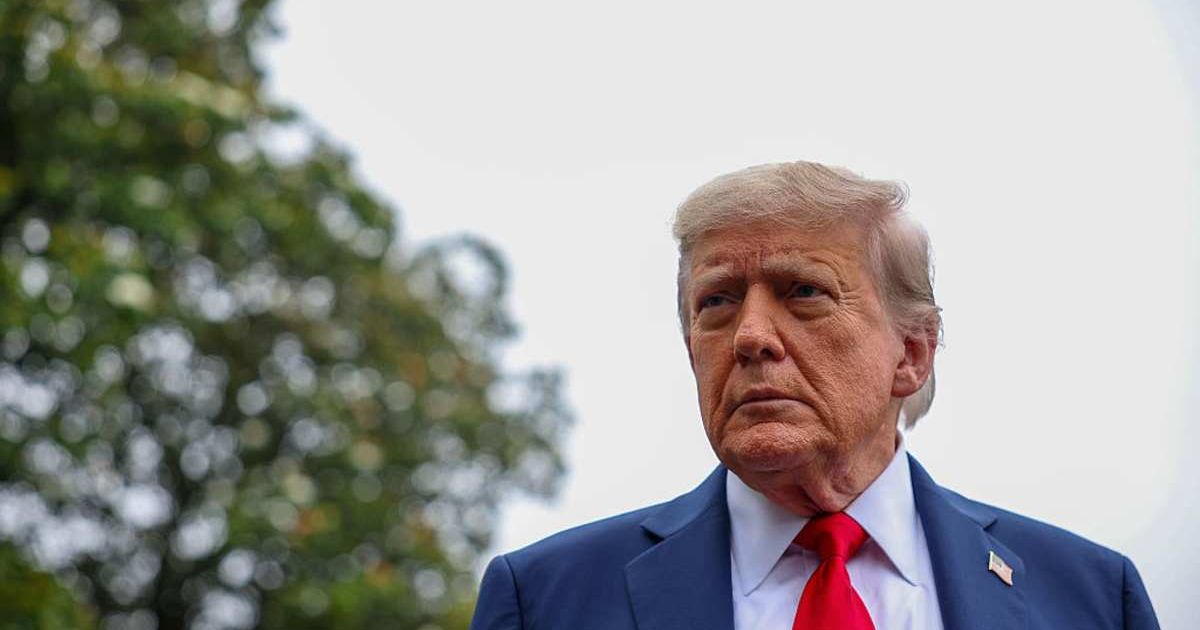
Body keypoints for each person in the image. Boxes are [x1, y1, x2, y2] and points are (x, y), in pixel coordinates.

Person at [469, 161, 1160, 629]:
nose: (750, 336)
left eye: (804, 291)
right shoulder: (546, 600)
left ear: (912, 354)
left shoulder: (1090, 595)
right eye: (717, 301)